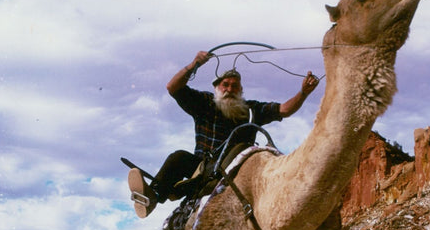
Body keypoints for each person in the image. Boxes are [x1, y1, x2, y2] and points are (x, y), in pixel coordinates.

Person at [128, 50, 319, 218]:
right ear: (217, 88)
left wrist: (303, 93)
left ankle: (180, 189)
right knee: (178, 158)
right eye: (225, 85)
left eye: (235, 86)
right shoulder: (205, 104)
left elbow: (284, 110)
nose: (229, 89)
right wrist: (195, 64)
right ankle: (153, 196)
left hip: (236, 171)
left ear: (240, 90)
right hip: (204, 168)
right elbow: (172, 87)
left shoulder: (251, 110)